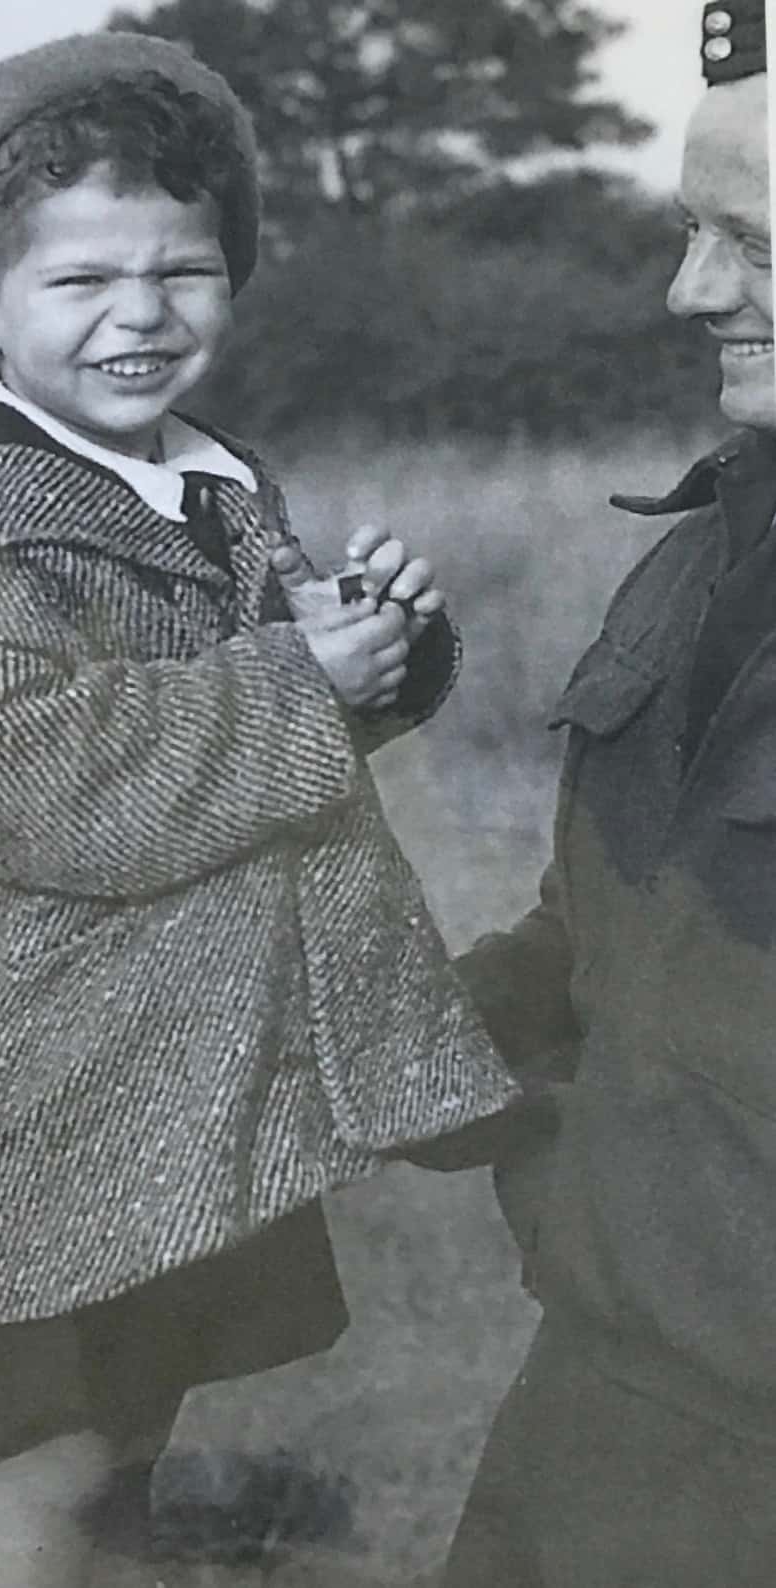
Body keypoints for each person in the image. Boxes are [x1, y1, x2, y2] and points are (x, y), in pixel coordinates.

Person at [0, 32, 520, 1588]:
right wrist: (309, 687)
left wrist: (381, 648)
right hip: (69, 1098)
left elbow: (286, 717)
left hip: (202, 1087)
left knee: (132, 1452)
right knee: (46, 1464)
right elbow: (55, 782)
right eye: (81, 284)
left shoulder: (215, 490)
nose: (141, 317)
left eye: (184, 271)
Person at [435, 4, 776, 1582]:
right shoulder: (698, 557)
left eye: (754, 245)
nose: (691, 290)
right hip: (597, 1406)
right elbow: (590, 953)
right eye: (691, 234)